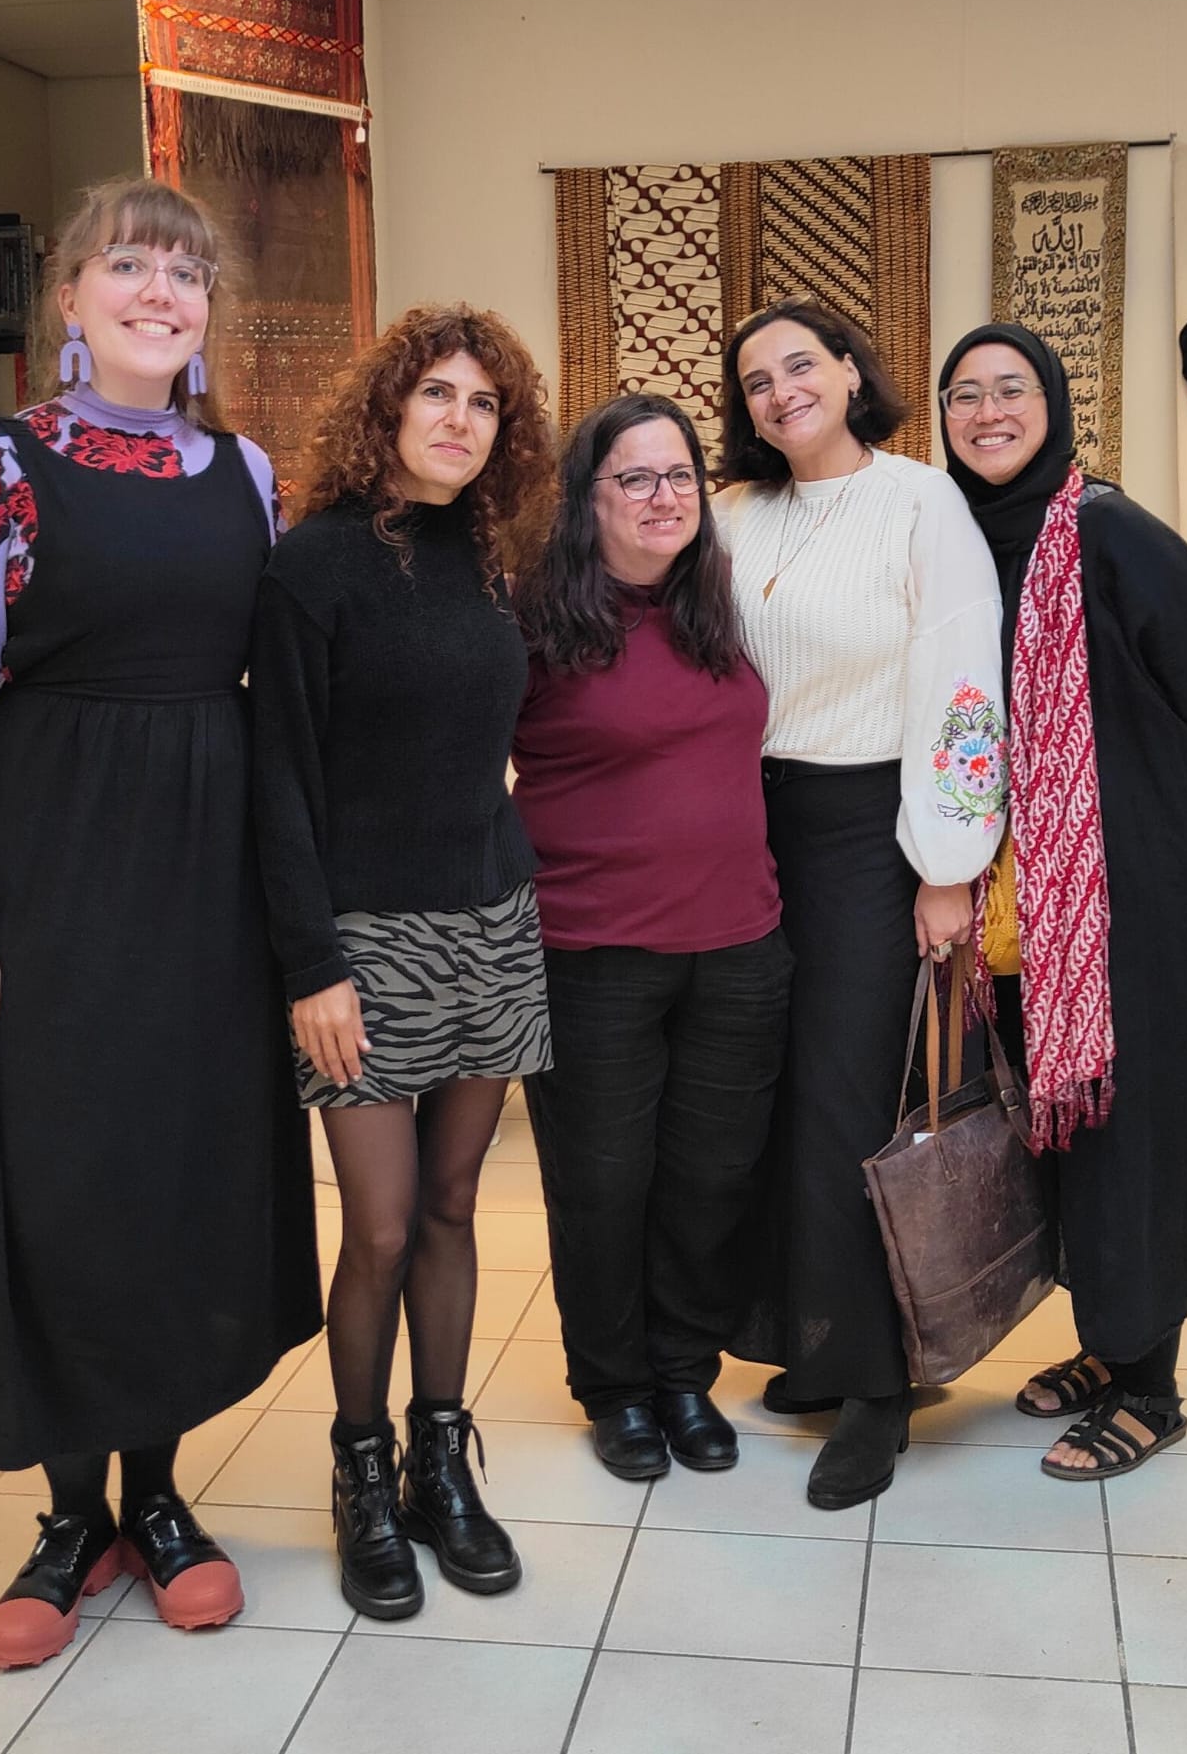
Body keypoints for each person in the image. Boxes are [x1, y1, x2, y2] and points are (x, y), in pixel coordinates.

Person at [0, 177, 322, 1670]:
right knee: (64, 1176)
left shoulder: (246, 471)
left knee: (182, 1175)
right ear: (72, 295)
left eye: (187, 273)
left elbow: (279, 680)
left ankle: (156, 1497)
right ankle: (69, 1512)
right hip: (56, 869)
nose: (162, 292)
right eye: (131, 265)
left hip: (209, 877)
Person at [250, 304, 556, 1619]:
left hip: (489, 919)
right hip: (361, 942)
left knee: (450, 1206)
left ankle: (441, 1459)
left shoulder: (491, 558)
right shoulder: (312, 563)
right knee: (376, 1224)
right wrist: (310, 965)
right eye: (437, 393)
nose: (459, 420)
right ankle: (361, 1471)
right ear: (387, 408)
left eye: (484, 404)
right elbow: (277, 778)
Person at [937, 322, 1187, 1480]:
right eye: (963, 395)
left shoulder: (1108, 529)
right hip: (1018, 895)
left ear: (1054, 403)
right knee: (1057, 1124)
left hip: (1137, 880)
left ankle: (1149, 1387)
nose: (987, 413)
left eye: (1010, 389)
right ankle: (1106, 1345)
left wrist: (1102, 776)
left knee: (1137, 1126)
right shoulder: (956, 539)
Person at [714, 299, 1005, 1511]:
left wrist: (947, 864)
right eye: (756, 380)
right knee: (776, 1097)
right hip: (744, 827)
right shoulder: (732, 513)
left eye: (801, 364)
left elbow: (962, 683)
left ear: (846, 372)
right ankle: (821, 1339)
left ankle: (880, 1385)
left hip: (863, 832)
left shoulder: (919, 502)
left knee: (852, 1103)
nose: (781, 390)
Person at [513, 393, 790, 1483]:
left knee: (709, 1180)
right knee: (602, 1184)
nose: (664, 496)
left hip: (739, 946)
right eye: (634, 477)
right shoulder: (534, 621)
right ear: (585, 499)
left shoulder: (717, 606)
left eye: (680, 476)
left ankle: (682, 1373)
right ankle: (615, 1386)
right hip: (591, 954)